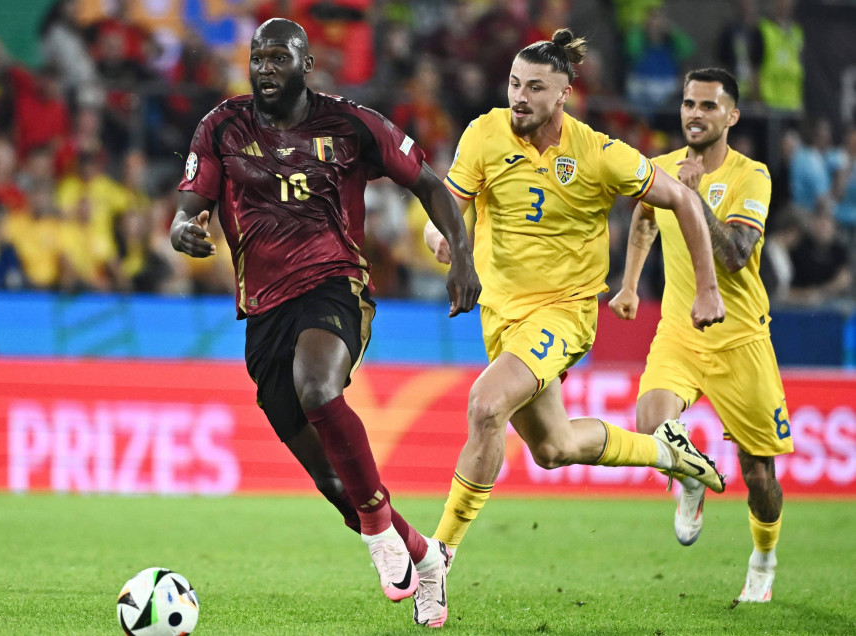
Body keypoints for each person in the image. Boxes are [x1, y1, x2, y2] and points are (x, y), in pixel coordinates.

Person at [170, 18, 480, 628]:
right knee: (332, 479)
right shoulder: (221, 126)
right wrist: (185, 230)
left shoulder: (351, 124)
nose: (263, 68)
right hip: (262, 310)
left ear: (306, 65)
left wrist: (462, 258)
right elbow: (188, 208)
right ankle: (422, 554)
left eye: (277, 59)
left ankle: (377, 530)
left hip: (336, 286)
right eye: (257, 58)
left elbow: (430, 185)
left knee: (318, 387)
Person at [423, 30, 727, 590]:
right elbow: (449, 204)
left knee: (486, 405)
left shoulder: (599, 154)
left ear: (563, 95)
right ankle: (671, 455)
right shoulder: (484, 132)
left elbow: (683, 199)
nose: (520, 96)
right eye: (515, 83)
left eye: (535, 87)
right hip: (501, 315)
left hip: (564, 314)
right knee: (553, 447)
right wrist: (438, 235)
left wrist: (708, 288)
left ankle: (437, 559)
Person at [609, 68, 793, 603]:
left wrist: (695, 201)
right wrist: (629, 284)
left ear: (732, 115)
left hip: (741, 341)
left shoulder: (751, 176)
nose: (695, 113)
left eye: (709, 106)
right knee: (650, 424)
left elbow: (735, 257)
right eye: (689, 103)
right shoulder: (662, 168)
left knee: (759, 477)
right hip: (680, 332)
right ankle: (691, 479)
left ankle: (763, 560)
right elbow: (645, 216)